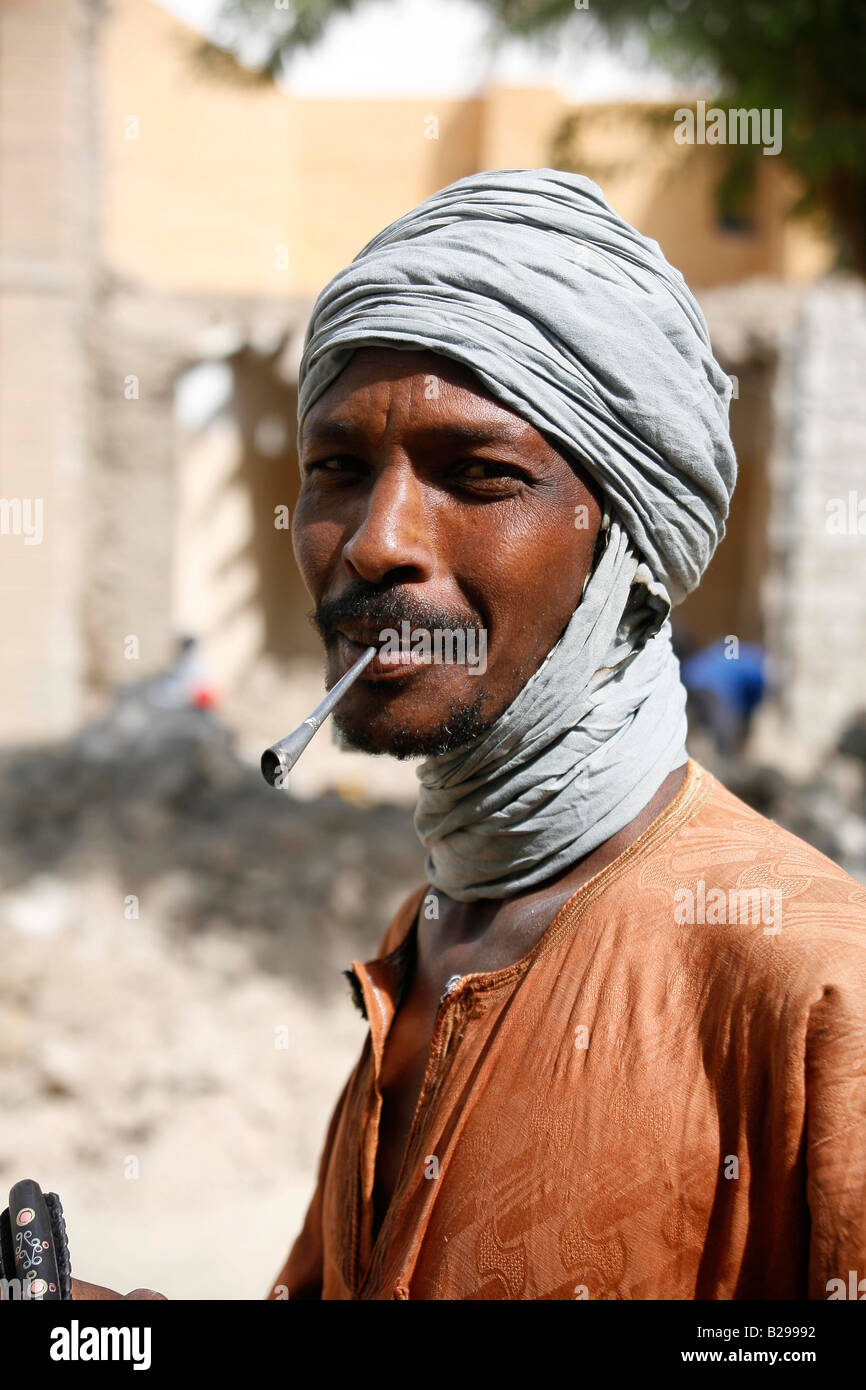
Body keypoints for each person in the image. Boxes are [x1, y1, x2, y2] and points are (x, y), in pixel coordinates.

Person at [265, 169, 866, 1302]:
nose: (374, 542)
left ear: (623, 544)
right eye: (339, 468)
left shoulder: (815, 982)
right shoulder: (431, 927)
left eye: (479, 475)